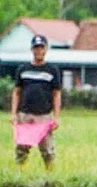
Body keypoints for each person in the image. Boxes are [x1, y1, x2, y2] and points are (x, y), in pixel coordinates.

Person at [10, 34, 62, 170]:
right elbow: (16, 92)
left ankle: (50, 176)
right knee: (21, 149)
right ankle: (19, 174)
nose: (38, 51)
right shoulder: (23, 69)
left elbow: (56, 94)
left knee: (48, 151)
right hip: (25, 115)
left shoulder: (52, 70)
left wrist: (56, 117)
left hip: (44, 115)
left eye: (41, 48)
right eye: (36, 48)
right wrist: (13, 113)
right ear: (31, 50)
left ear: (46, 50)